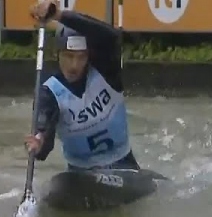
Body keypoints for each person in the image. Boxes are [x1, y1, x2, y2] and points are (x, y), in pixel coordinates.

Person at [23, 0, 140, 172]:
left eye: (81, 57)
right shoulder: (49, 92)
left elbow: (112, 36)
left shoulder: (107, 72)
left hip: (124, 165)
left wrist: (59, 16)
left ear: (88, 56)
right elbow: (45, 138)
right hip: (80, 174)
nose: (74, 65)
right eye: (68, 56)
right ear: (57, 54)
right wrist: (39, 143)